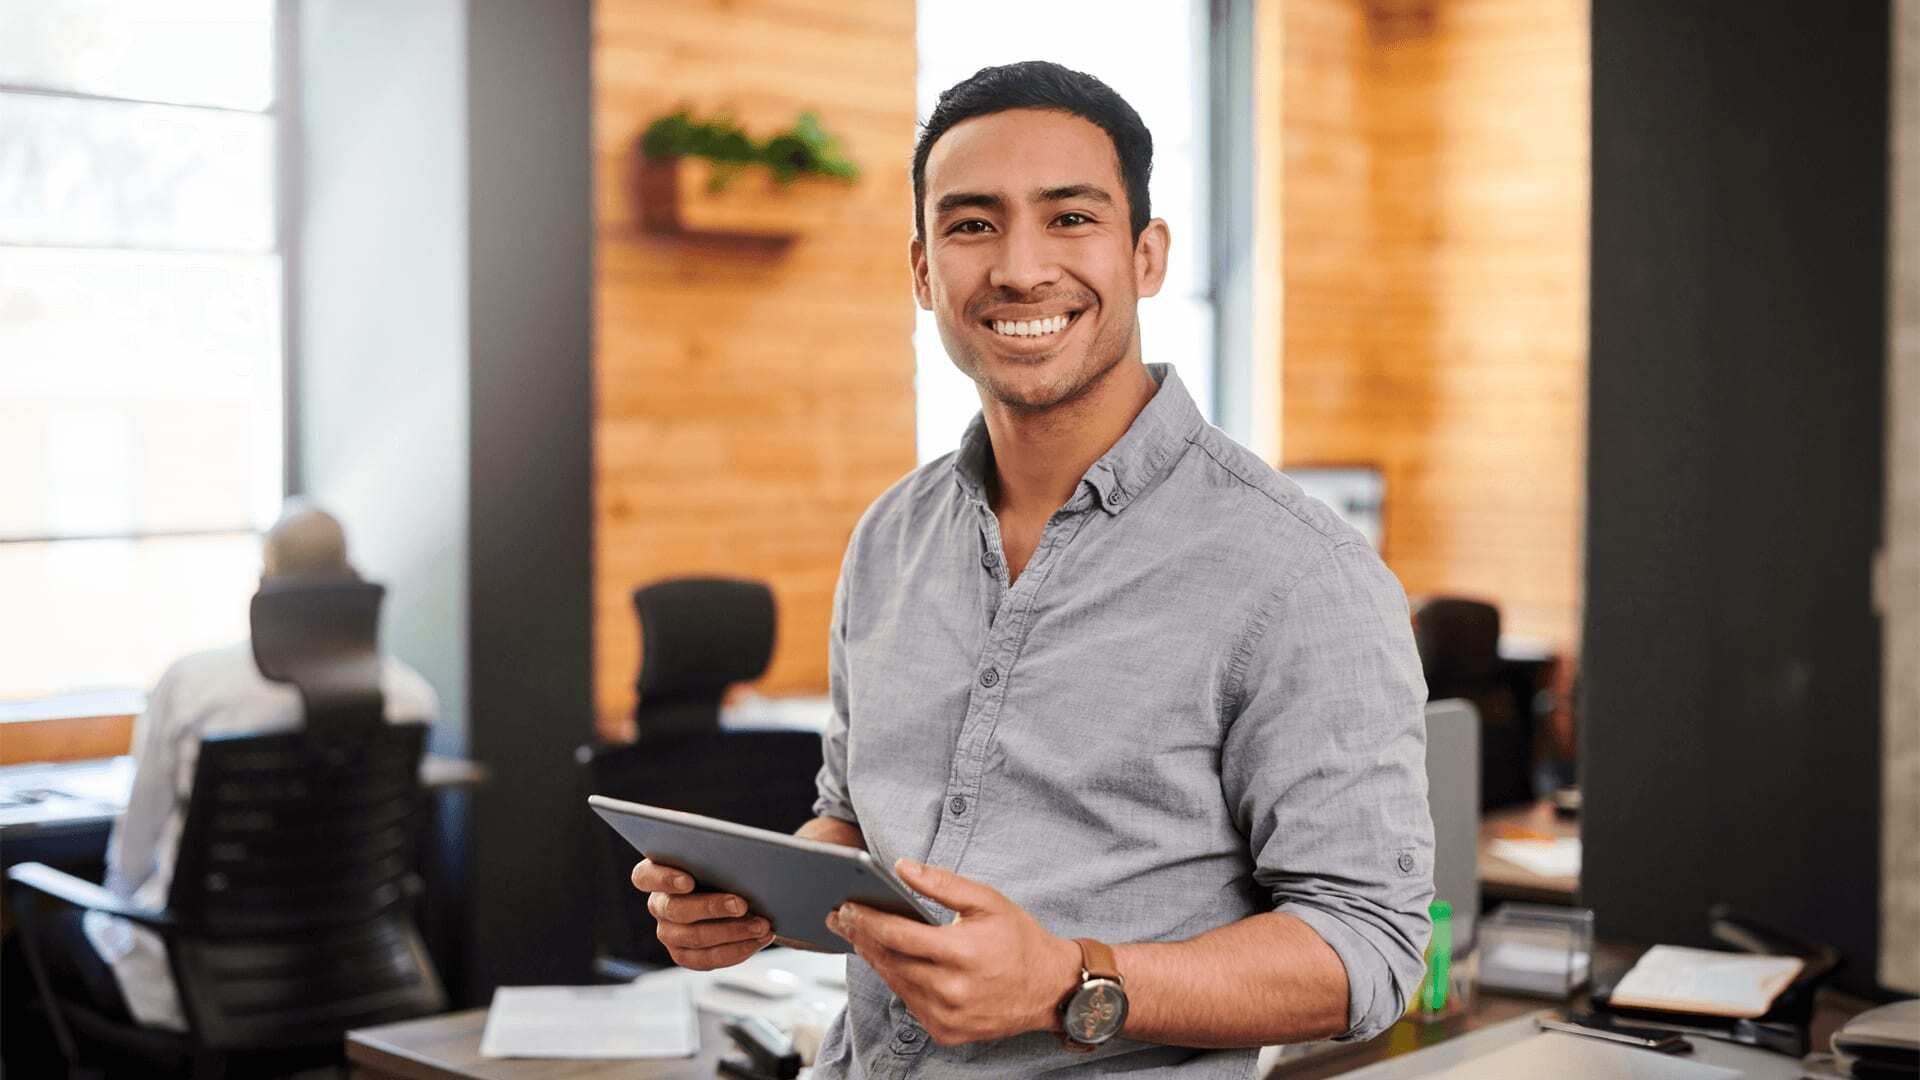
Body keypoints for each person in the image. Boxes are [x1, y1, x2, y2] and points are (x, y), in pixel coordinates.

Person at [632, 61, 1434, 1077]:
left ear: (1146, 256)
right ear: (924, 271)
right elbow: (853, 822)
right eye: (972, 225)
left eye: (1069, 219)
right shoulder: (892, 536)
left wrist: (1068, 981)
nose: (1018, 269)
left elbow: (1368, 947)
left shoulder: (1300, 574)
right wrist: (756, 901)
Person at [75, 500, 438, 1032]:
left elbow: (133, 854)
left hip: (203, 983)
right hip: (350, 978)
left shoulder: (192, 685)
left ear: (265, 579)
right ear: (353, 580)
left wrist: (112, 910)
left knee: (34, 940)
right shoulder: (411, 697)